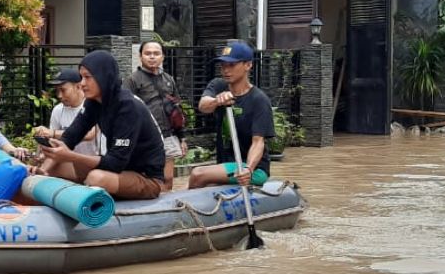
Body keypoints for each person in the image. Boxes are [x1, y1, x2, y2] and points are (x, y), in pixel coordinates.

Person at [36, 50, 165, 199]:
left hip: (146, 178)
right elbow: (69, 138)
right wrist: (44, 167)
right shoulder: (94, 102)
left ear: (104, 77)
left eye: (87, 77)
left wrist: (70, 156)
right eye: (81, 77)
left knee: (96, 178)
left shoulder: (128, 106)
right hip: (117, 172)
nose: (82, 83)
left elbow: (115, 162)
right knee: (55, 166)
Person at [188, 40, 275, 189]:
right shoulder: (218, 85)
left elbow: (258, 142)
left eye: (232, 65)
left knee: (198, 174)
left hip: (252, 169)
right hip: (226, 164)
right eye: (223, 65)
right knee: (204, 183)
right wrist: (217, 101)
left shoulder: (259, 100)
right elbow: (203, 106)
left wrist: (248, 169)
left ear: (248, 65)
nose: (226, 70)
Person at [125, 40, 187, 192]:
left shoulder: (169, 79)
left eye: (156, 53)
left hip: (168, 135)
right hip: (145, 137)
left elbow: (176, 110)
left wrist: (182, 138)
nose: (152, 57)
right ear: (140, 56)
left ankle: (167, 209)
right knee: (150, 178)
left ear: (163, 57)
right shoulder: (132, 80)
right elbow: (126, 110)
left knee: (168, 178)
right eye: (147, 53)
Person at [34, 68, 105, 157]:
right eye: (57, 91)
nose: (59, 95)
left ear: (78, 87)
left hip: (96, 161)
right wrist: (41, 152)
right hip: (69, 162)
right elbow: (53, 141)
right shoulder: (58, 110)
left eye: (63, 90)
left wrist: (53, 133)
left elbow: (90, 134)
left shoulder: (93, 105)